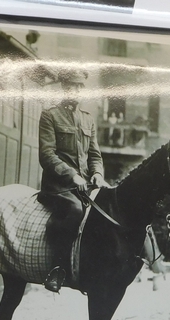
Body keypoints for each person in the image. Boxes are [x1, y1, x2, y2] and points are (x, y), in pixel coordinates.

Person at [37, 68, 108, 292]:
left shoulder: (88, 119)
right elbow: (47, 155)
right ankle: (57, 270)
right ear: (63, 88)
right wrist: (72, 175)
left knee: (107, 210)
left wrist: (97, 173)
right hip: (58, 187)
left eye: (79, 87)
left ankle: (93, 268)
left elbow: (95, 155)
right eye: (70, 86)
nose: (75, 91)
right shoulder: (50, 115)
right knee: (76, 211)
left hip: (84, 185)